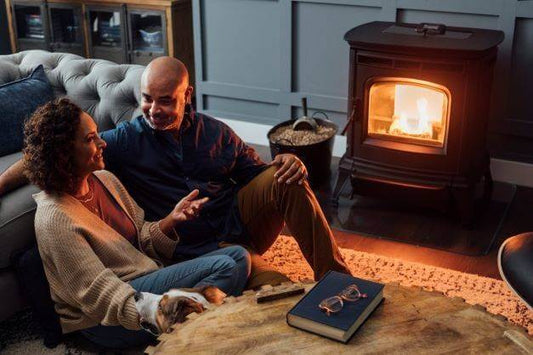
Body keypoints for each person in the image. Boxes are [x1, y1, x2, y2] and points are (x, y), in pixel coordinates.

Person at [0, 56, 350, 287]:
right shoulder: (123, 141)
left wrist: (288, 162)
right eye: (147, 98)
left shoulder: (215, 131)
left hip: (240, 224)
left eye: (165, 100)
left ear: (187, 96)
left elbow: (256, 174)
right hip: (195, 252)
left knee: (285, 177)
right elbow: (45, 154)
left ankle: (339, 280)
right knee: (280, 292)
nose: (153, 109)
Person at [23, 98, 251, 349]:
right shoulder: (55, 217)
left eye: (98, 134)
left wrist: (170, 220)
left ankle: (192, 328)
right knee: (225, 267)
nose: (102, 143)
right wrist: (159, 311)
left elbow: (140, 237)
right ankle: (189, 333)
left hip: (146, 279)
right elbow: (98, 293)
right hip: (105, 318)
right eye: (90, 139)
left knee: (239, 256)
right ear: (62, 152)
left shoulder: (104, 179)